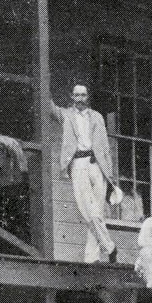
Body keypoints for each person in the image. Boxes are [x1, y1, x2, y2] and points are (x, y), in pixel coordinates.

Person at [50, 83, 118, 263]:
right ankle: (109, 246)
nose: (80, 98)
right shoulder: (66, 115)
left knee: (97, 211)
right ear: (72, 97)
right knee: (87, 209)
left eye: (83, 95)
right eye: (76, 95)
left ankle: (91, 257)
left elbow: (105, 148)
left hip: (97, 165)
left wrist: (110, 176)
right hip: (79, 163)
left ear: (87, 97)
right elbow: (47, 106)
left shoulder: (97, 117)